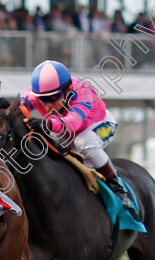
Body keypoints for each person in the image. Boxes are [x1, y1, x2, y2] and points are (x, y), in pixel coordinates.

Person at [20, 59, 132, 208]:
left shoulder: (83, 92)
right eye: (43, 99)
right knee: (46, 142)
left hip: (102, 126)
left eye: (53, 97)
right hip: (66, 130)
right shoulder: (40, 91)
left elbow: (73, 123)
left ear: (67, 90)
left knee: (84, 142)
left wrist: (45, 123)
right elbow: (22, 106)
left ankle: (117, 186)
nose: (47, 104)